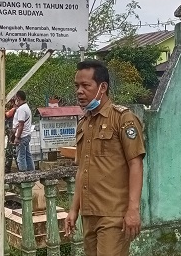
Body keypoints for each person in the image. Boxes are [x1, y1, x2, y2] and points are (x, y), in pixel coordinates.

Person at [63, 60, 145, 255]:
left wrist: (133, 209)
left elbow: (136, 164)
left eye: (85, 85)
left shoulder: (123, 119)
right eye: (77, 86)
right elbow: (82, 169)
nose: (79, 91)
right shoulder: (83, 123)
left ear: (103, 87)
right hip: (89, 214)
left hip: (113, 214)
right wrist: (74, 209)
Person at [12, 91, 34, 171]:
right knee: (28, 155)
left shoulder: (21, 109)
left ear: (18, 98)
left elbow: (21, 125)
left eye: (15, 98)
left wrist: (17, 137)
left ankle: (23, 174)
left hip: (22, 136)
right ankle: (32, 172)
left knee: (21, 157)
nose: (14, 100)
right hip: (27, 135)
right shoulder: (26, 107)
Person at [5, 98, 17, 173]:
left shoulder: (14, 109)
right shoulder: (13, 109)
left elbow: (7, 115)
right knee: (9, 151)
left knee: (12, 151)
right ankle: (7, 168)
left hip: (12, 133)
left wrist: (1, 109)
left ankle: (20, 168)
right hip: (10, 133)